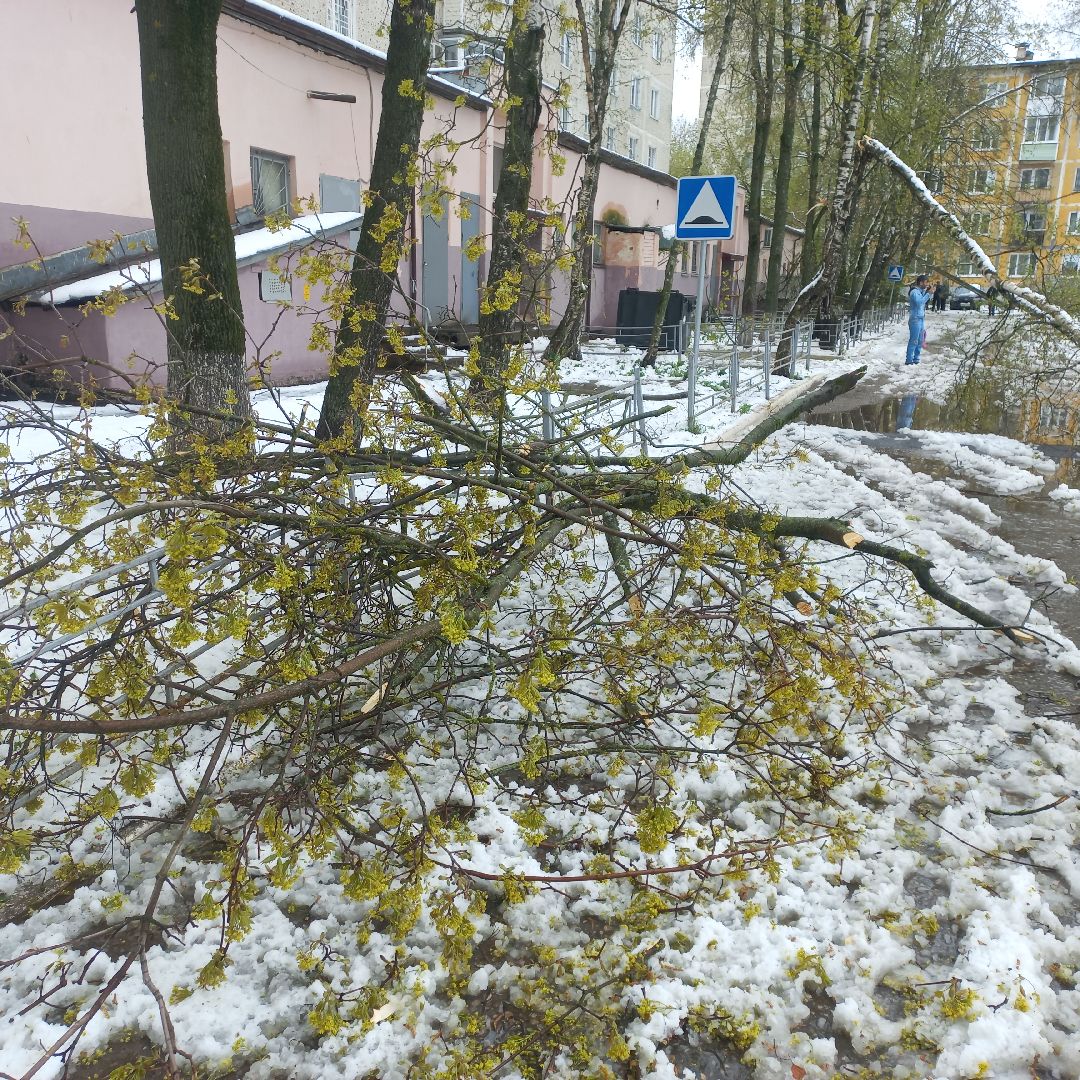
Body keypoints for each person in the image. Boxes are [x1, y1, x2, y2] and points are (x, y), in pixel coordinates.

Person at [906, 275, 933, 364]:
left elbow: (924, 301)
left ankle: (916, 359)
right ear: (921, 282)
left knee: (920, 340)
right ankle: (909, 360)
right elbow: (919, 303)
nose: (927, 284)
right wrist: (928, 294)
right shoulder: (914, 292)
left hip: (920, 318)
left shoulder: (920, 292)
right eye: (926, 282)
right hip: (915, 319)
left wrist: (928, 292)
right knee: (914, 340)